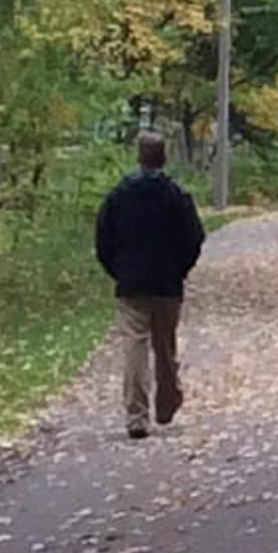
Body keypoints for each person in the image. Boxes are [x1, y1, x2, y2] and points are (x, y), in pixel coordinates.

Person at [93, 127, 206, 438]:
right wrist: (181, 268)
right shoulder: (177, 196)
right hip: (168, 282)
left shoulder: (119, 196)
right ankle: (167, 401)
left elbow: (103, 238)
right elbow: (194, 238)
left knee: (135, 346)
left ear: (138, 157)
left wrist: (117, 269)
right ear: (164, 158)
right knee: (164, 345)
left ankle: (136, 416)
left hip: (131, 282)